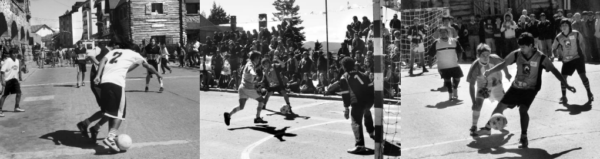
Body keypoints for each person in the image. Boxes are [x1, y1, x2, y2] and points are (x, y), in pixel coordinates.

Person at [478, 32, 576, 148]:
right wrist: (491, 71)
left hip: (530, 89)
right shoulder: (516, 54)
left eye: (523, 47)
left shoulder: (541, 58)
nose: (521, 49)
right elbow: (504, 64)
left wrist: (566, 84)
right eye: (520, 46)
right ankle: (488, 128)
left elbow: (554, 71)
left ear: (531, 45)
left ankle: (524, 137)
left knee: (523, 110)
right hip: (516, 87)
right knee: (497, 110)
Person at [93, 42, 162, 152]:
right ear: (135, 50)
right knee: (120, 113)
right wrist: (158, 74)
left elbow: (102, 61)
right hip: (116, 83)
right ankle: (110, 138)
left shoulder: (114, 51)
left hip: (104, 82)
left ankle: (106, 133)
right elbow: (148, 66)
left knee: (112, 112)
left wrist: (97, 75)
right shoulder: (135, 54)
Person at [324, 57, 375, 154]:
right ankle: (372, 132)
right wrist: (370, 101)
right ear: (353, 65)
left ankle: (360, 145)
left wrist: (346, 108)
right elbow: (371, 87)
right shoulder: (363, 74)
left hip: (357, 101)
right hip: (369, 100)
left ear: (343, 66)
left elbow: (345, 94)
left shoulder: (344, 77)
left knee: (355, 121)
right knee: (366, 112)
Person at [466, 44, 511, 136]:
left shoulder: (495, 58)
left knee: (504, 105)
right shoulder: (475, 66)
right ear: (478, 56)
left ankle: (499, 121)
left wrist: (507, 74)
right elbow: (471, 85)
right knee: (477, 106)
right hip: (483, 88)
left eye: (487, 55)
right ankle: (474, 126)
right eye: (483, 55)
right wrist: (473, 101)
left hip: (497, 85)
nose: (486, 57)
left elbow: (504, 64)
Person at [551, 19, 595, 104]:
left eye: (565, 25)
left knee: (583, 76)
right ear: (560, 27)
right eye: (562, 25)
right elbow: (554, 47)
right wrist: (553, 54)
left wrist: (584, 53)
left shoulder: (576, 33)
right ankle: (564, 97)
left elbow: (582, 43)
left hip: (578, 58)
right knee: (563, 78)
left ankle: (589, 93)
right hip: (567, 61)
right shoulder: (559, 37)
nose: (564, 27)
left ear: (569, 26)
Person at [76, 42, 112, 143]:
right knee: (108, 110)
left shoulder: (112, 52)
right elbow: (90, 55)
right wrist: (97, 63)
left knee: (111, 110)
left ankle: (87, 124)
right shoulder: (104, 50)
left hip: (106, 83)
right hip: (98, 85)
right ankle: (93, 127)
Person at [223, 51, 268, 126]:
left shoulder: (250, 63)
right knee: (262, 100)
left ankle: (228, 114)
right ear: (255, 58)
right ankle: (257, 117)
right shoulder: (250, 64)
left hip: (242, 88)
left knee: (241, 106)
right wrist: (254, 74)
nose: (259, 60)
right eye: (258, 58)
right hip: (248, 88)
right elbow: (251, 70)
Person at [427, 27, 464, 100]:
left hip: (454, 64)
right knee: (447, 80)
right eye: (441, 33)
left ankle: (455, 89)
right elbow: (430, 54)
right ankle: (450, 94)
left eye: (444, 32)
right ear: (439, 34)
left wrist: (459, 59)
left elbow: (460, 51)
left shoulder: (454, 41)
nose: (443, 34)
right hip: (443, 66)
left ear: (448, 33)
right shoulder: (436, 42)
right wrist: (430, 63)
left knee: (457, 78)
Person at [0, 48, 25, 117]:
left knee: (19, 93)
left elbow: (18, 70)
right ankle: (0, 109)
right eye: (13, 53)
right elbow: (2, 71)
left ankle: (16, 107)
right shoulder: (7, 61)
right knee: (4, 95)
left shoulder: (17, 61)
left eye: (16, 53)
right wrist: (2, 81)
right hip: (8, 80)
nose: (15, 54)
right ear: (10, 54)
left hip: (15, 79)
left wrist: (19, 77)